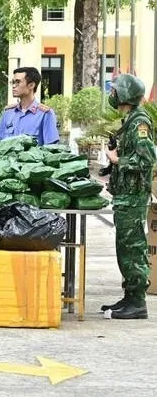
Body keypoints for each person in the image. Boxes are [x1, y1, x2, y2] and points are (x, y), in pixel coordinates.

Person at [100, 74, 155, 319]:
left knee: (133, 249)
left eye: (115, 92)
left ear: (124, 95)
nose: (112, 95)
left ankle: (137, 302)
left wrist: (116, 159)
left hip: (133, 197)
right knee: (125, 248)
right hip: (125, 196)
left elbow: (147, 159)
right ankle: (129, 297)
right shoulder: (130, 121)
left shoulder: (139, 123)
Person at [0, 67, 59, 145]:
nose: (13, 86)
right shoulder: (8, 113)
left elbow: (51, 149)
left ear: (31, 85)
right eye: (13, 82)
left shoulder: (45, 114)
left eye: (17, 82)